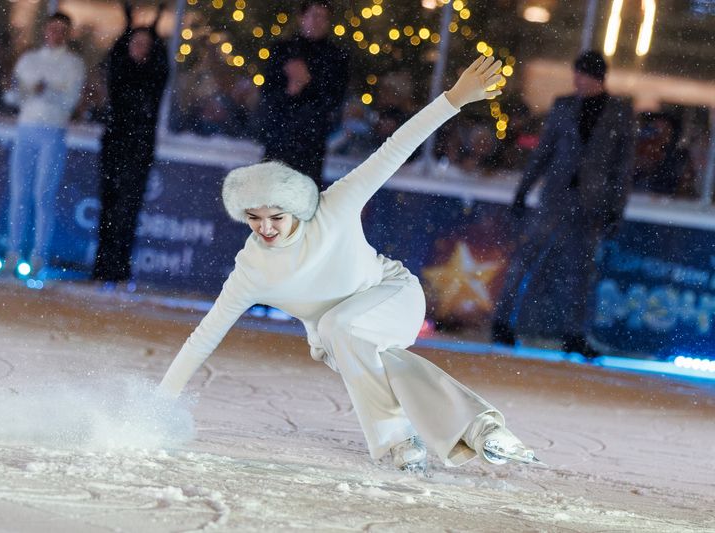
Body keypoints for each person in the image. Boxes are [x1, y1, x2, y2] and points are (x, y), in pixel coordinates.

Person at [158, 56, 540, 473]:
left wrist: (454, 100)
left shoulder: (333, 208)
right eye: (254, 218)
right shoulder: (251, 269)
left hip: (394, 297)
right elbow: (203, 337)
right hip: (340, 339)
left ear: (296, 208)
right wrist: (158, 405)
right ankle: (480, 428)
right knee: (378, 357)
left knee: (342, 328)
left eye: (276, 217)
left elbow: (395, 149)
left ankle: (397, 442)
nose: (265, 228)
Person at [490, 50, 635, 358]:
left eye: (581, 75)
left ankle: (574, 333)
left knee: (579, 271)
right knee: (529, 259)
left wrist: (614, 209)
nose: (576, 80)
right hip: (557, 196)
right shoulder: (566, 106)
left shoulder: (618, 112)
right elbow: (543, 152)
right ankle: (503, 321)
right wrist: (523, 190)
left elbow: (621, 168)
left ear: (594, 77)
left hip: (590, 202)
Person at [92, 2, 169, 287]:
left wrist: (155, 25)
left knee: (127, 211)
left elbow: (162, 63)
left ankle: (119, 269)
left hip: (139, 151)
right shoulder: (119, 72)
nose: (139, 46)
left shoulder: (154, 77)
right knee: (108, 207)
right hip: (114, 146)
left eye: (145, 43)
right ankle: (101, 268)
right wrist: (128, 23)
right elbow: (114, 57)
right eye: (135, 42)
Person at [2, 12, 85, 277]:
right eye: (52, 29)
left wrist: (46, 91)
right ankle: (13, 253)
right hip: (26, 129)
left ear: (67, 33)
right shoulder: (29, 60)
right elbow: (12, 97)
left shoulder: (73, 64)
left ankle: (39, 256)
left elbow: (70, 102)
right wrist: (21, 90)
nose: (55, 34)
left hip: (53, 130)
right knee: (19, 194)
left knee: (43, 195)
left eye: (61, 30)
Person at [254, 0, 350, 189]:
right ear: (302, 18)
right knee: (271, 198)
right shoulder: (283, 50)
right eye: (314, 15)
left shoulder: (336, 57)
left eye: (323, 17)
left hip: (310, 143)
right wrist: (292, 89)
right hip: (279, 137)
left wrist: (308, 83)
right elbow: (268, 94)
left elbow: (333, 98)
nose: (318, 22)